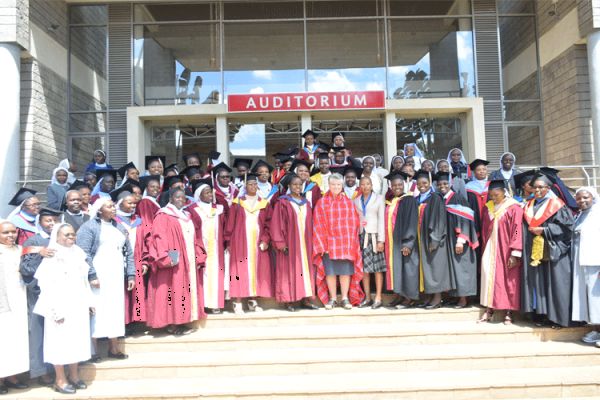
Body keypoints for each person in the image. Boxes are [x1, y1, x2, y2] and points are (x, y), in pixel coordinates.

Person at [33, 223, 94, 394]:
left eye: (72, 235)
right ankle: (60, 380)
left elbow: (84, 281)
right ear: (57, 237)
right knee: (59, 343)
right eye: (66, 235)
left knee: (76, 341)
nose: (70, 238)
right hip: (59, 307)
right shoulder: (52, 255)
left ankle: (74, 376)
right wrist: (54, 310)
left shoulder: (78, 253)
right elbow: (45, 285)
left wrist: (89, 302)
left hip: (78, 305)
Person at [77, 197, 134, 360]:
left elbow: (128, 252)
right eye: (109, 206)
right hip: (98, 276)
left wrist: (130, 274)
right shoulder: (89, 227)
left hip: (116, 276)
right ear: (100, 210)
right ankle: (93, 350)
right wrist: (92, 275)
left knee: (114, 310)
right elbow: (83, 253)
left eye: (114, 205)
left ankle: (114, 348)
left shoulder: (119, 227)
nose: (114, 208)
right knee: (97, 310)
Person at [147, 188, 207, 335]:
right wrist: (171, 259)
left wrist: (198, 256)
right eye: (177, 197)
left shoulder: (186, 215)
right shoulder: (163, 215)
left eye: (183, 197)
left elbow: (195, 237)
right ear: (171, 199)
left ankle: (184, 319)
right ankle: (173, 324)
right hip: (176, 260)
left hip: (189, 259)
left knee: (184, 289)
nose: (181, 199)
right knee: (174, 289)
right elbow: (160, 238)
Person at [521, 173, 574, 328]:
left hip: (553, 250)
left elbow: (567, 228)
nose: (537, 190)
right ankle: (542, 314)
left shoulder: (557, 204)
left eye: (541, 187)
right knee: (538, 283)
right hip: (534, 250)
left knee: (555, 283)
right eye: (535, 187)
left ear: (548, 188)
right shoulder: (528, 205)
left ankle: (558, 318)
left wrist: (544, 230)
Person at [20, 208, 61, 387]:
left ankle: (57, 368)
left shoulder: (61, 239)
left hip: (59, 294)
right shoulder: (33, 241)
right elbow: (26, 270)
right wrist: (39, 254)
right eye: (47, 221)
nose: (51, 224)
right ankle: (41, 371)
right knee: (38, 332)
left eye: (54, 220)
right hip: (39, 294)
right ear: (40, 222)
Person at [313, 173, 364, 310]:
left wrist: (350, 244)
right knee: (330, 272)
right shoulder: (321, 202)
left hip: (345, 245)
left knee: (345, 272)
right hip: (328, 244)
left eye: (338, 185)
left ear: (342, 186)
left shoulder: (348, 202)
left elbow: (353, 224)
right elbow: (318, 224)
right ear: (328, 185)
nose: (336, 187)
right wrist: (323, 245)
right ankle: (333, 298)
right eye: (333, 184)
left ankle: (345, 298)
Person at [224, 174, 273, 314]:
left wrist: (265, 239)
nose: (252, 186)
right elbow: (230, 224)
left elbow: (268, 224)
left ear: (258, 186)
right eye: (250, 184)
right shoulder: (237, 203)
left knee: (256, 270)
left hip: (258, 243)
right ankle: (237, 302)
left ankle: (252, 300)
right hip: (240, 241)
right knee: (240, 270)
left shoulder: (264, 203)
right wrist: (228, 241)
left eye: (254, 184)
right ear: (245, 187)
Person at [478, 180, 524, 325]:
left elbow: (517, 229)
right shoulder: (487, 208)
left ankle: (509, 311)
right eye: (491, 195)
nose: (494, 198)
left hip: (506, 249)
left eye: (496, 195)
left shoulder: (514, 207)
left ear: (504, 192)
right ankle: (489, 308)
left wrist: (515, 252)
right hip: (490, 248)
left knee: (508, 279)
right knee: (489, 278)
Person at [270, 175, 318, 311]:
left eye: (299, 184)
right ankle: (288, 300)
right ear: (289, 187)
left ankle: (306, 299)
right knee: (289, 271)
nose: (298, 187)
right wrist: (280, 243)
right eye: (294, 184)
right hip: (290, 244)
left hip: (305, 243)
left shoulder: (305, 202)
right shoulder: (282, 203)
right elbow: (276, 225)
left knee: (304, 270)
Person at [435, 172, 478, 309]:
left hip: (459, 240)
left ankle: (464, 299)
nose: (442, 186)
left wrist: (461, 240)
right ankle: (456, 296)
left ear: (450, 184)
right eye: (440, 184)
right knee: (452, 269)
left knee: (461, 267)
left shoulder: (457, 198)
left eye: (445, 184)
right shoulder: (440, 199)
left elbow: (466, 220)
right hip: (448, 240)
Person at [0, 220, 30, 394]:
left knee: (16, 340)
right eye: (5, 233)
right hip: (3, 304)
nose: (11, 235)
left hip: (19, 300)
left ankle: (12, 377)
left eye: (13, 232)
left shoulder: (20, 250)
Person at [188, 179, 226, 314]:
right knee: (202, 275)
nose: (210, 195)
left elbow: (224, 227)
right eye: (207, 193)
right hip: (200, 248)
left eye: (211, 192)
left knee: (216, 274)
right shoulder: (192, 210)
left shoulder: (219, 208)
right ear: (199, 195)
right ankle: (203, 304)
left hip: (216, 248)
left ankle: (215, 303)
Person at [111, 186, 147, 327]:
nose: (133, 205)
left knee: (136, 292)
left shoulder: (138, 220)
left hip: (136, 260)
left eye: (134, 203)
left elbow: (146, 241)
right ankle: (122, 323)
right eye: (129, 203)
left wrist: (145, 261)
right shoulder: (114, 220)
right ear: (120, 203)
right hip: (118, 260)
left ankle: (133, 322)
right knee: (121, 293)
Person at [414, 170, 450, 309]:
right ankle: (429, 297)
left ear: (430, 184)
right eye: (419, 183)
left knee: (435, 268)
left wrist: (435, 239)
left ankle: (437, 298)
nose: (421, 185)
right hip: (421, 239)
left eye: (425, 183)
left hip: (433, 240)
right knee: (427, 268)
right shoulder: (416, 199)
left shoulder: (435, 198)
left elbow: (439, 220)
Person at [384, 172, 419, 308]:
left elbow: (412, 222)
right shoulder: (392, 201)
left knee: (407, 269)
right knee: (397, 269)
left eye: (399, 184)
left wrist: (408, 243)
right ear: (390, 186)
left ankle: (409, 298)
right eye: (394, 185)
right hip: (393, 242)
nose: (397, 187)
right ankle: (399, 294)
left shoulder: (409, 200)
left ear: (404, 185)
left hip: (404, 242)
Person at [571, 187, 600, 344]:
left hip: (595, 263)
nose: (582, 201)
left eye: (585, 198)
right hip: (582, 262)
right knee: (589, 299)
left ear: (593, 197)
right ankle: (595, 330)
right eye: (578, 198)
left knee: (597, 299)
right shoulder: (581, 215)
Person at [354, 176, 386, 309]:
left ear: (372, 185)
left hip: (375, 236)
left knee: (377, 268)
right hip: (362, 236)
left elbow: (381, 219)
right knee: (364, 269)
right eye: (362, 184)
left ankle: (378, 297)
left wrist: (381, 240)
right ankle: (367, 297)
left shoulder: (379, 199)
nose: (365, 186)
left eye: (367, 184)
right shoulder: (355, 201)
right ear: (360, 186)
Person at [465, 159, 490, 233]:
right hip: (475, 217)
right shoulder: (468, 186)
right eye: (478, 170)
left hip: (490, 216)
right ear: (474, 172)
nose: (482, 171)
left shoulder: (492, 184)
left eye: (484, 169)